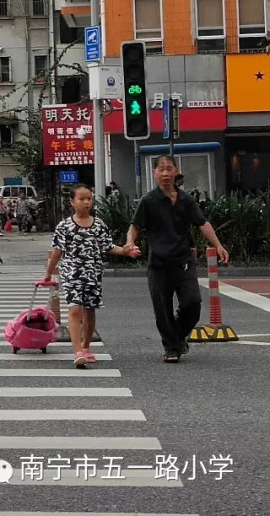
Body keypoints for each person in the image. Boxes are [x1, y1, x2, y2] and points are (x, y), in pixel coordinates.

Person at [126, 155, 229, 363]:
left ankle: (178, 336)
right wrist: (130, 244)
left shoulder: (186, 200)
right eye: (161, 169)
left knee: (193, 303)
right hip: (158, 264)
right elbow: (134, 227)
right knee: (162, 309)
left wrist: (218, 245)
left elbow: (202, 223)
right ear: (154, 173)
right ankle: (171, 347)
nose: (165, 173)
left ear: (176, 171)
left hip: (183, 261)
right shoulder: (149, 201)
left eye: (169, 169)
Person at [43, 184, 141, 368]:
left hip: (93, 274)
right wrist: (48, 274)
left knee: (90, 310)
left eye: (89, 198)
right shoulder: (64, 226)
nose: (86, 202)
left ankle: (86, 347)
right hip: (72, 273)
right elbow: (57, 252)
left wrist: (127, 251)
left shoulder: (99, 225)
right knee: (74, 310)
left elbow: (110, 247)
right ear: (72, 202)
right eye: (81, 198)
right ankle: (77, 351)